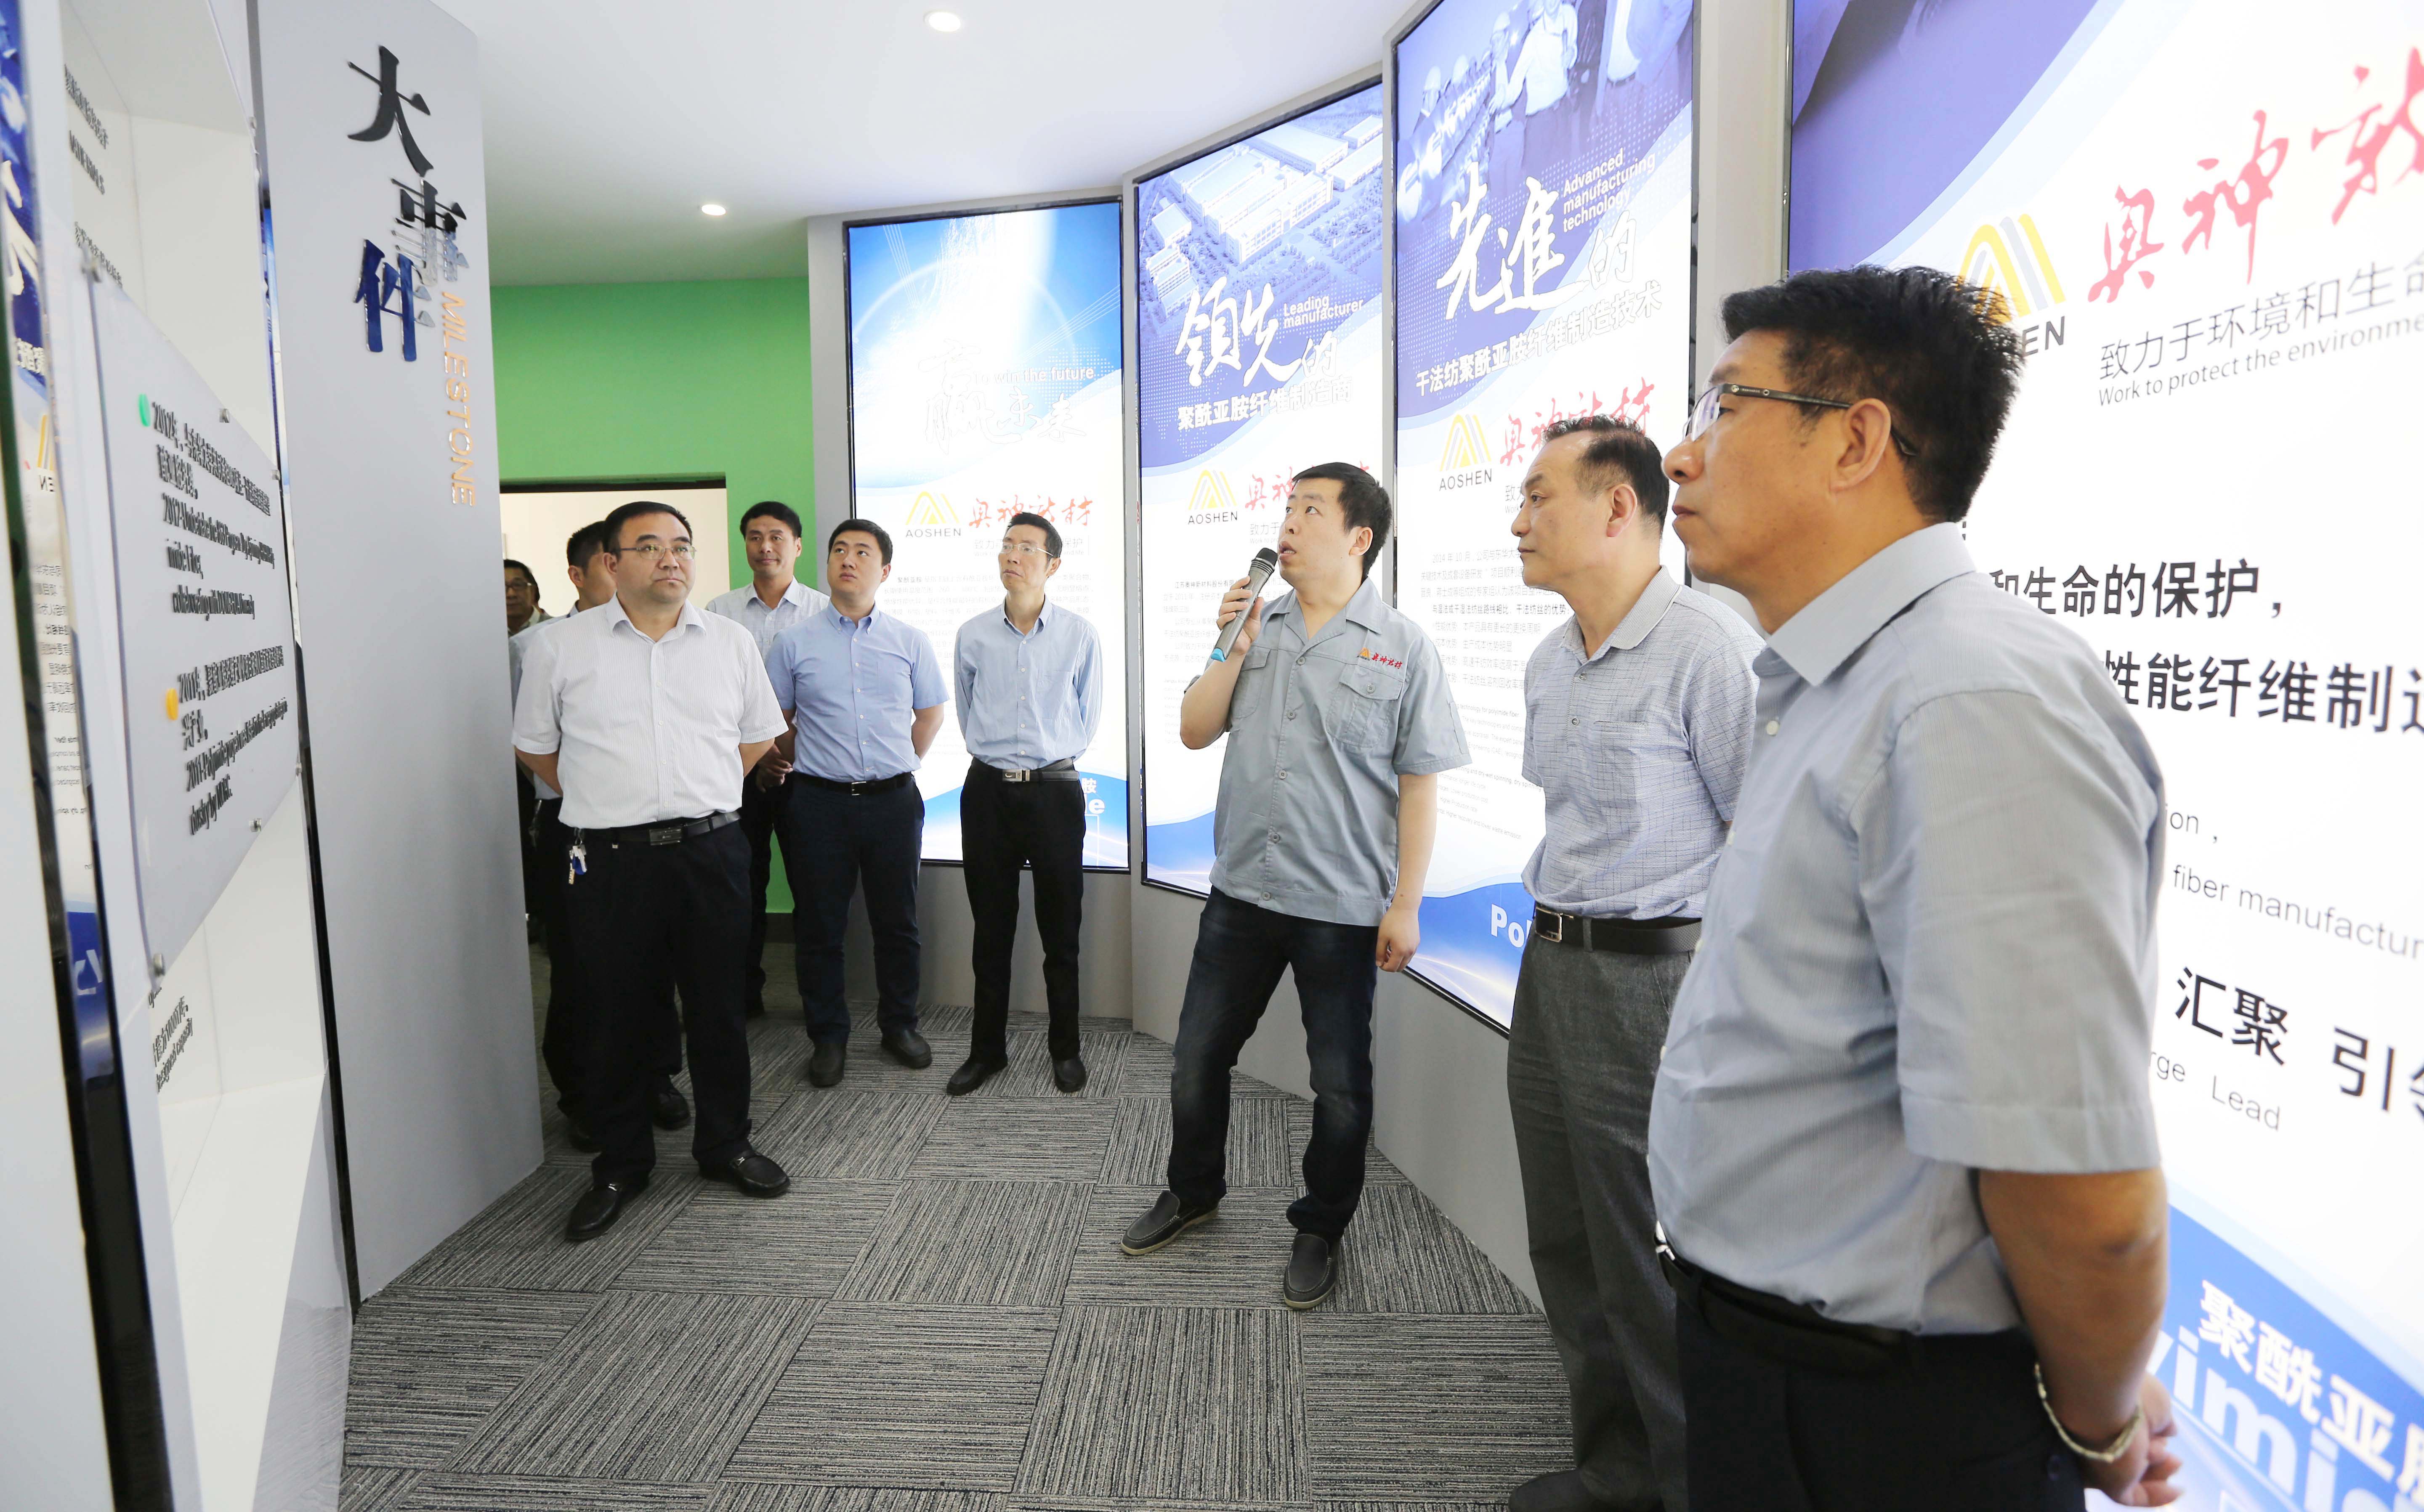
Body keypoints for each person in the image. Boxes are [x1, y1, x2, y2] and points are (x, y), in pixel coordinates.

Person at [1650, 265, 2179, 1509]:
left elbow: (2080, 1195)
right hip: (1784, 1381)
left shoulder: (1968, 699)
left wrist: (2094, 1418)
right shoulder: (1846, 683)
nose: (1680, 453)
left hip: (1880, 1430)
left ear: (1855, 441)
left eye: (1724, 405)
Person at [1122, 464, 1467, 1310]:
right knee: (1197, 1057)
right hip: (1242, 891)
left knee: (1340, 1086)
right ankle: (1193, 1190)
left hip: (1341, 907)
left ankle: (1321, 1227)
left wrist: (1407, 904)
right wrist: (1230, 645)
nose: (1289, 523)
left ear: (1360, 537)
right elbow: (1194, 729)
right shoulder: (1259, 622)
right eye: (1286, 507)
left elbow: (1420, 785)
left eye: (1311, 509)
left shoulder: (1403, 646)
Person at [1502, 415, 1759, 1512]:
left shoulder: (1709, 649)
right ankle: (1615, 1470)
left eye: (1539, 497)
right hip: (1551, 965)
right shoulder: (1549, 661)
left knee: (1645, 1254)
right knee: (1568, 1236)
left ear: (1618, 506)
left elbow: (1765, 841)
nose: (1519, 521)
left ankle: (1690, 1487)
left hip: (1655, 986)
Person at [513, 500, 793, 1241]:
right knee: (613, 1014)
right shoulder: (559, 647)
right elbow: (536, 748)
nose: (672, 558)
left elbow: (756, 737)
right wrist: (610, 796)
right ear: (611, 562)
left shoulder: (730, 641)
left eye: (682, 545)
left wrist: (700, 792)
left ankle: (726, 1144)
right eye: (650, 545)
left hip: (712, 851)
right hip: (609, 859)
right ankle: (621, 1162)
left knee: (719, 1008)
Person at [513, 519, 690, 1149]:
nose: (651, 567)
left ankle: (656, 1075)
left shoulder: (665, 639)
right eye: (633, 557)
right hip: (575, 831)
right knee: (581, 969)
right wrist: (592, 795)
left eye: (667, 551)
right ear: (588, 573)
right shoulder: (544, 646)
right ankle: (582, 1091)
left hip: (652, 833)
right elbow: (529, 743)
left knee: (656, 960)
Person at [765, 518, 948, 1088]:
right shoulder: (794, 642)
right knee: (820, 926)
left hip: (893, 801)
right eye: (839, 550)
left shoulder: (910, 640)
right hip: (817, 803)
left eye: (863, 552)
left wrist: (896, 762)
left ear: (884, 570)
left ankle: (900, 1025)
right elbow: (777, 721)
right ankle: (828, 1036)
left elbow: (930, 714)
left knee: (898, 923)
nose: (848, 559)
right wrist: (812, 757)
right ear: (826, 564)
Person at [946, 509, 1104, 1098]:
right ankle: (986, 1051)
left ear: (1052, 565)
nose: (1012, 556)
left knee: (1061, 932)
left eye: (1027, 548)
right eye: (1007, 545)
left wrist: (1045, 762)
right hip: (987, 792)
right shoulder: (972, 634)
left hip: (1054, 793)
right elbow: (967, 710)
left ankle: (1066, 1050)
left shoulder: (1079, 634)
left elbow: (1086, 716)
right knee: (991, 930)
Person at [705, 500, 831, 1018]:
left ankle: (818, 1002)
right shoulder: (718, 612)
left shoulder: (825, 611)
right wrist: (758, 756)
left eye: (777, 537)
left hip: (809, 773)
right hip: (739, 772)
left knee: (814, 889)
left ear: (797, 546)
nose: (765, 547)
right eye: (755, 537)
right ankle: (744, 994)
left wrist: (785, 753)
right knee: (742, 885)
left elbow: (830, 699)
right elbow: (711, 695)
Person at [504, 558, 548, 636]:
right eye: (503, 587)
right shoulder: (487, 632)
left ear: (533, 591)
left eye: (518, 585)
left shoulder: (555, 627)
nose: (511, 594)